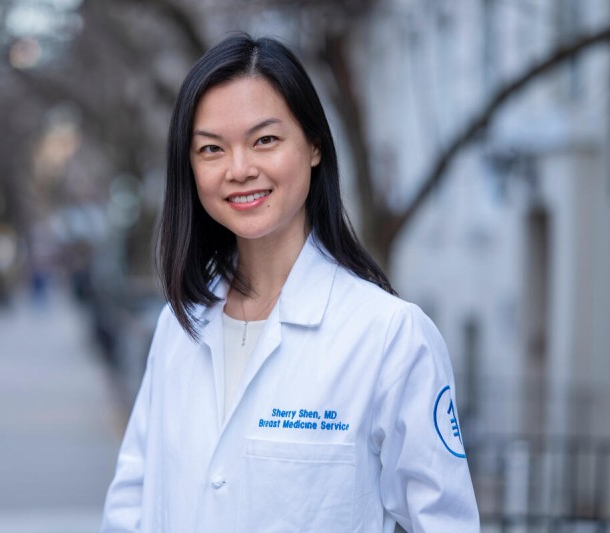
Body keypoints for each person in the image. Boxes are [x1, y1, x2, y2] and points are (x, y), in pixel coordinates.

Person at [101, 33, 480, 532]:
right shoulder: (178, 326)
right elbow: (131, 506)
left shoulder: (390, 336)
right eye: (211, 149)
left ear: (314, 145)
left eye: (265, 140)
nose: (240, 169)